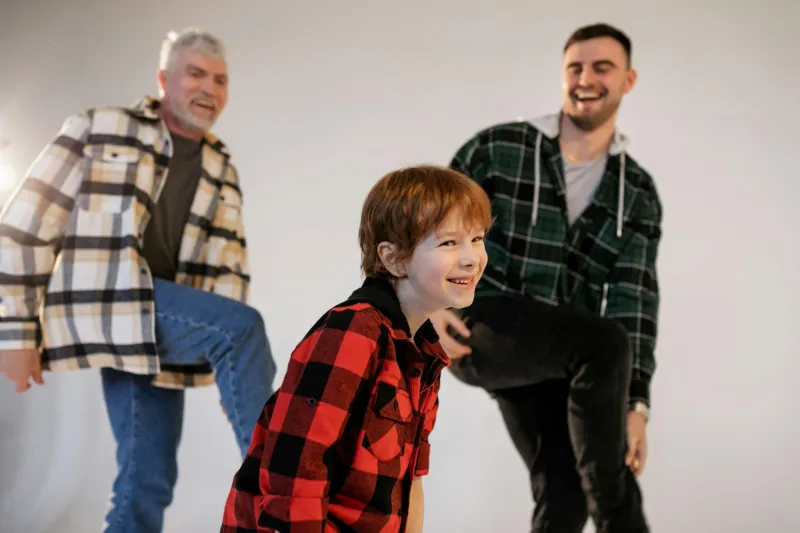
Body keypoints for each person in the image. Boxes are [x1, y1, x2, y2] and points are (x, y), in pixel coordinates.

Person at [0, 28, 277, 533]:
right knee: (242, 330)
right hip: (111, 309)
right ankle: (280, 490)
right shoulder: (99, 127)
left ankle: (273, 487)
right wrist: (16, 333)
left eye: (220, 79)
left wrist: (231, 367)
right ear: (163, 78)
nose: (209, 89)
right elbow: (25, 225)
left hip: (159, 328)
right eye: (195, 73)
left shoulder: (221, 166)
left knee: (149, 477)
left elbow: (228, 266)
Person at [434, 23, 663, 533]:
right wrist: (428, 308)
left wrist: (635, 406)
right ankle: (620, 521)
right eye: (575, 67)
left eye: (602, 67)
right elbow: (428, 226)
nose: (586, 78)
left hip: (566, 356)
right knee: (604, 342)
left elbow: (634, 300)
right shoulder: (499, 148)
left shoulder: (637, 193)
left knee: (563, 496)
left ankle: (599, 507)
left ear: (628, 80)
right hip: (483, 324)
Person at [220, 165, 491, 533]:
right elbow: (295, 472)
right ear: (393, 258)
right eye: (449, 242)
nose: (472, 257)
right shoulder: (353, 333)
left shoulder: (424, 352)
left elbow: (411, 481)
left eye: (477, 238)